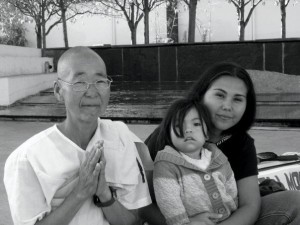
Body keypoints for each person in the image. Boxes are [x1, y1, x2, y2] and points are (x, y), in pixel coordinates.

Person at [3, 46, 152, 225]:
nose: (92, 92)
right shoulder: (27, 159)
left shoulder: (120, 137)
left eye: (100, 82)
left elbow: (134, 221)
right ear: (58, 91)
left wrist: (105, 194)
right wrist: (80, 193)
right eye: (80, 82)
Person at [143, 62, 300, 225]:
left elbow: (249, 205)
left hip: (229, 218)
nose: (227, 106)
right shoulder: (167, 136)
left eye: (237, 99)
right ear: (201, 95)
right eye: (219, 95)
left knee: (296, 203)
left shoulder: (242, 143)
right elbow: (142, 204)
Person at [153, 98, 238, 225]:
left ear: (207, 134)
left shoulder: (218, 158)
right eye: (178, 125)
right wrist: (185, 222)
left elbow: (231, 189)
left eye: (196, 124)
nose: (188, 130)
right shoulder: (166, 164)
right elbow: (168, 201)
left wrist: (234, 209)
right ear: (169, 134)